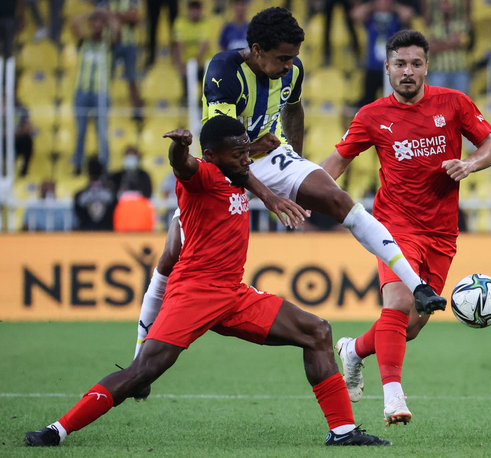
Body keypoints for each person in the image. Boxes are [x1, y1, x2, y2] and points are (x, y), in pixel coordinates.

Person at [24, 115, 390, 447]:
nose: (246, 160)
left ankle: (343, 431)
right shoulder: (201, 176)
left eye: (246, 152)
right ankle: (57, 430)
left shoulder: (236, 171)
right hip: (194, 292)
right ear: (212, 155)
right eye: (238, 154)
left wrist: (256, 148)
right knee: (142, 372)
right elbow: (182, 166)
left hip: (232, 293)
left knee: (317, 331)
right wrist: (179, 148)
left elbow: (241, 159)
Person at [131, 7, 444, 364]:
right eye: (282, 58)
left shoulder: (292, 69)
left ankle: (417, 286)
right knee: (172, 253)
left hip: (271, 156)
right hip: (224, 166)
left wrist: (297, 161)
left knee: (341, 200)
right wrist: (270, 196)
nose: (288, 65)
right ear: (257, 50)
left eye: (293, 57)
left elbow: (294, 109)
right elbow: (219, 150)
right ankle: (140, 355)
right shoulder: (223, 72)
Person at [321, 30, 491, 424]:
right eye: (400, 64)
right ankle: (394, 398)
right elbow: (336, 163)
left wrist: (469, 164)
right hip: (394, 225)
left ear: (426, 67)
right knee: (400, 303)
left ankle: (353, 350)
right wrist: (301, 190)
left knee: (411, 326)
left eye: (415, 64)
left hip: (441, 231)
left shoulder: (454, 103)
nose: (407, 71)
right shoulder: (371, 116)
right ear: (387, 68)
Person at [70, 8, 119, 173]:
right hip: (82, 91)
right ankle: (77, 165)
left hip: (101, 93)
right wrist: (90, 13)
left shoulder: (108, 44)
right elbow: (74, 23)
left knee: (102, 131)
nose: (97, 25)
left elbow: (117, 27)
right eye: (94, 22)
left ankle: (104, 166)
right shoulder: (84, 42)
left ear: (104, 25)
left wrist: (106, 15)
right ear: (90, 24)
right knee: (80, 131)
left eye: (100, 23)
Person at [73, 156, 117, 231]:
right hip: (106, 232)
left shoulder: (79, 195)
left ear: (88, 174)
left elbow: (79, 215)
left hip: (86, 232)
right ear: (102, 172)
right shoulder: (111, 194)